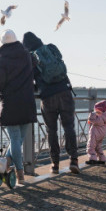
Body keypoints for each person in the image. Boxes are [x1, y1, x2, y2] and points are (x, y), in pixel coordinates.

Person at [21, 31, 80, 174]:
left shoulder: (30, 58)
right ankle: (73, 160)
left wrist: (37, 88)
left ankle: (55, 164)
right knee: (69, 127)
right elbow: (60, 62)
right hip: (65, 91)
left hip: (47, 97)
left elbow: (29, 79)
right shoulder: (51, 48)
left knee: (51, 131)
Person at [0, 29, 37, 183]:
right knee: (18, 141)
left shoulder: (3, 59)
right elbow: (35, 68)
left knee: (15, 140)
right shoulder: (27, 55)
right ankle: (6, 164)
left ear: (2, 43)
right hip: (27, 102)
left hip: (11, 104)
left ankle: (20, 174)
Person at [86, 100, 106, 165]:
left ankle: (92, 159)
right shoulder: (105, 116)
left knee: (91, 146)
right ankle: (102, 159)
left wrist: (93, 113)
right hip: (101, 134)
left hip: (95, 133)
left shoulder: (98, 117)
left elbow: (91, 119)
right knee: (98, 146)